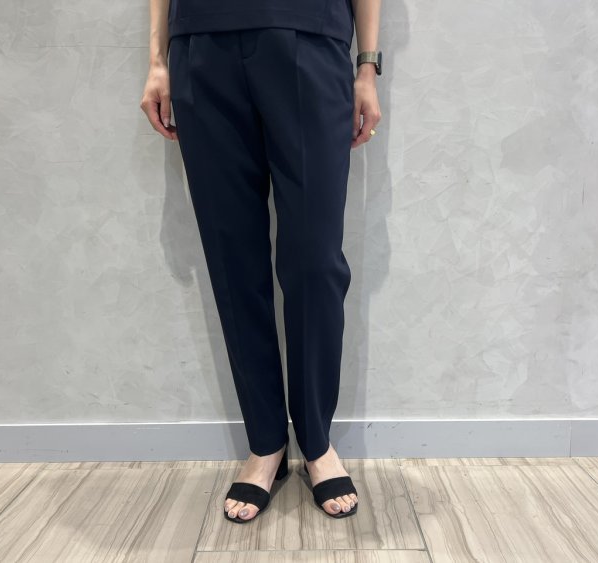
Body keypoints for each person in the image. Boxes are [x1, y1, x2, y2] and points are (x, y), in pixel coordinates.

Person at [141, 0, 382, 522]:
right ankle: (266, 442)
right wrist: (157, 60)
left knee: (315, 260)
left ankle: (316, 440)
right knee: (232, 258)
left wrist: (367, 66)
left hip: (311, 36)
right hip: (201, 42)